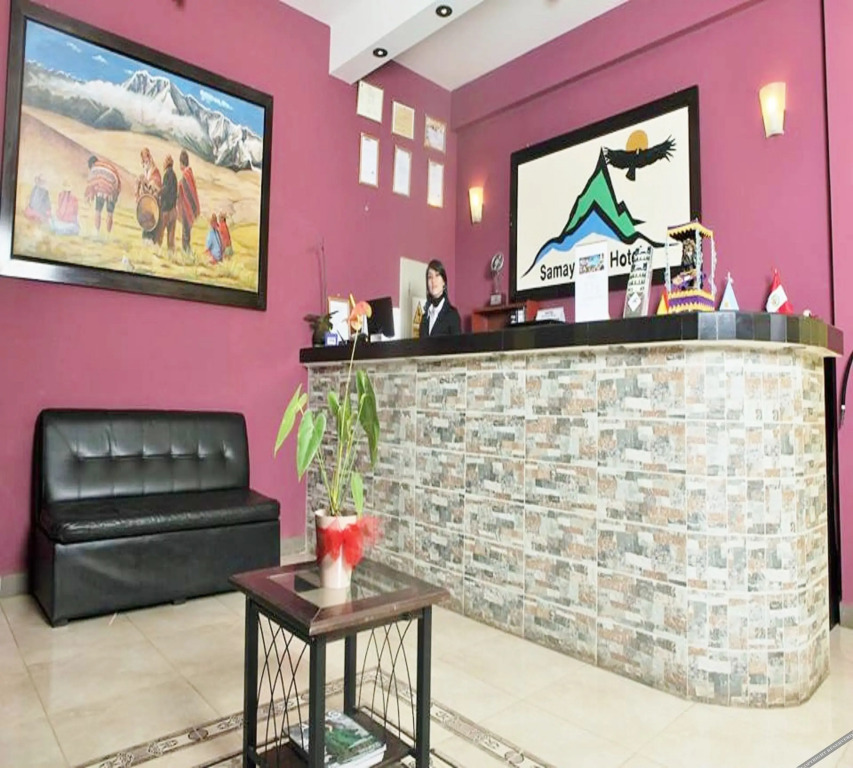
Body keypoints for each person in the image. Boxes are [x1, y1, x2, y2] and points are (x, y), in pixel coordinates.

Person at [418, 259, 461, 337]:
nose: (433, 281)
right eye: (430, 277)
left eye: (437, 275)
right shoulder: (424, 318)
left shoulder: (452, 315)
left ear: (444, 282)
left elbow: (459, 344)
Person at [84, 155, 121, 235]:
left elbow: (90, 183)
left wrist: (88, 195)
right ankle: (108, 234)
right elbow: (117, 181)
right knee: (110, 214)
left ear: (92, 164)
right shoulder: (107, 165)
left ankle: (96, 232)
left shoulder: (94, 168)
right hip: (112, 189)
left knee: (98, 211)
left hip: (101, 190)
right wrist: (115, 194)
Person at [136, 147, 162, 243]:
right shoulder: (146, 170)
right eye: (143, 158)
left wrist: (147, 182)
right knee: (145, 219)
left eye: (145, 158)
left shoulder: (154, 170)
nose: (144, 160)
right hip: (146, 201)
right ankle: (146, 240)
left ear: (149, 157)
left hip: (153, 201)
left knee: (151, 221)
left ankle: (151, 240)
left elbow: (156, 184)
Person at [177, 149, 200, 254]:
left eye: (180, 163)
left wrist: (179, 186)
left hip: (187, 209)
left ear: (182, 163)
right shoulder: (189, 174)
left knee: (185, 233)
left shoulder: (186, 176)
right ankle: (187, 252)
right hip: (189, 208)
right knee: (187, 232)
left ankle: (186, 253)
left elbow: (186, 193)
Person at [159, 154, 178, 252]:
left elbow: (165, 189)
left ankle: (156, 252)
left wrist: (159, 192)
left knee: (160, 232)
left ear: (166, 164)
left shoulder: (167, 174)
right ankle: (171, 255)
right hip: (173, 210)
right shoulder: (174, 175)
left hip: (166, 210)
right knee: (171, 235)